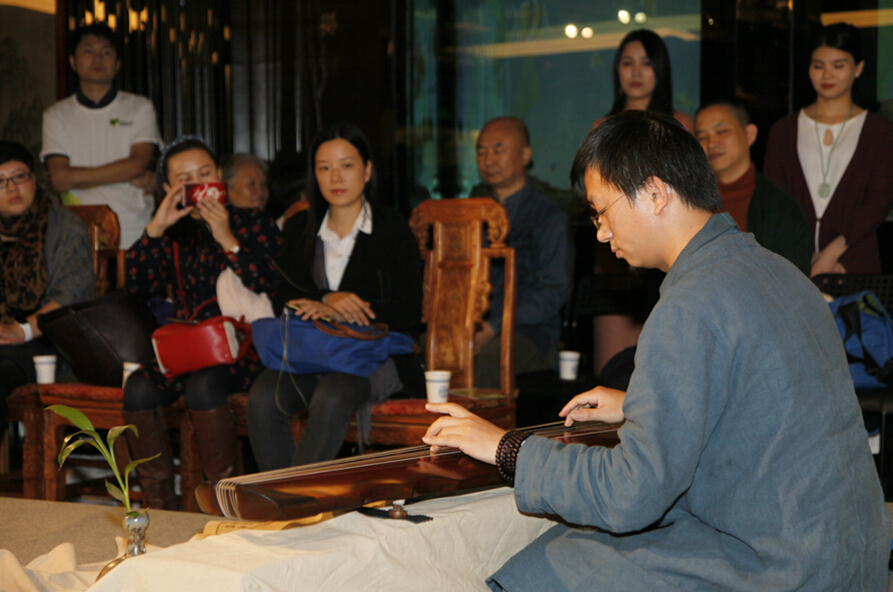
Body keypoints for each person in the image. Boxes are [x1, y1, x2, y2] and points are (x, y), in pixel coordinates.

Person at [423, 110, 889, 591]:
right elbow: (769, 403)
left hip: (777, 567)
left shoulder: (691, 302)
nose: (601, 233)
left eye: (602, 211)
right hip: (847, 557)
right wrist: (638, 404)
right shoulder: (779, 271)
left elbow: (630, 494)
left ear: (655, 193)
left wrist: (506, 448)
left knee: (555, 563)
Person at [247, 122, 424, 470]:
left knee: (331, 396)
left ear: (367, 170)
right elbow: (282, 297)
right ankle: (283, 495)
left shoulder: (392, 229)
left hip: (374, 353)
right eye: (324, 167)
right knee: (263, 398)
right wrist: (327, 299)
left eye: (346, 165)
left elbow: (408, 312)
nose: (335, 177)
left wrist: (348, 313)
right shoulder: (299, 227)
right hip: (313, 352)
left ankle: (294, 497)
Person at [123, 136, 280, 509]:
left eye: (204, 173)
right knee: (138, 388)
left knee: (205, 385)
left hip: (244, 348)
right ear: (168, 187)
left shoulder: (251, 220)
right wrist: (156, 228)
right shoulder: (172, 233)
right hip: (190, 349)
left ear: (220, 175)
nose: (197, 184)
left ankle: (225, 502)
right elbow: (138, 285)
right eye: (185, 178)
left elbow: (270, 283)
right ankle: (159, 505)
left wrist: (228, 239)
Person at [764, 22, 893, 276]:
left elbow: (880, 200)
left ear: (858, 68)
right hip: (794, 264)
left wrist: (831, 253)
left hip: (853, 263)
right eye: (818, 66)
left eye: (838, 65)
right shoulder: (784, 130)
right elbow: (774, 199)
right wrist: (806, 256)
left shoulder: (880, 131)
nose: (827, 75)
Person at [41, 23, 162, 250]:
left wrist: (131, 170)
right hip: (78, 228)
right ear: (73, 62)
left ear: (117, 65)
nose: (97, 58)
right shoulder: (56, 115)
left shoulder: (139, 107)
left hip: (133, 226)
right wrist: (125, 175)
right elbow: (60, 179)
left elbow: (138, 164)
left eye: (106, 52)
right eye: (88, 51)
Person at [472, 116, 573, 388]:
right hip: (477, 324)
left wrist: (495, 325)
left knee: (492, 357)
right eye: (481, 151)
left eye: (498, 149)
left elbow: (554, 290)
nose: (488, 160)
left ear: (525, 155)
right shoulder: (472, 212)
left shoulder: (549, 216)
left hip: (531, 332)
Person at [0, 141, 93, 430]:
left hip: (49, 342)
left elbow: (72, 296)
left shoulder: (65, 227)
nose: (12, 188)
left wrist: (22, 330)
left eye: (19, 176)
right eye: (0, 181)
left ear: (34, 179)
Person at [695, 99, 812, 274]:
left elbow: (791, 279)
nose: (711, 143)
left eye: (721, 131)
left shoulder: (782, 207)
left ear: (750, 134)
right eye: (702, 137)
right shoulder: (691, 204)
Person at [590, 29, 694, 133]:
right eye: (628, 63)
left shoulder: (679, 124)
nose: (636, 72)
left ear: (660, 68)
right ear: (617, 69)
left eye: (646, 63)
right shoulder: (602, 128)